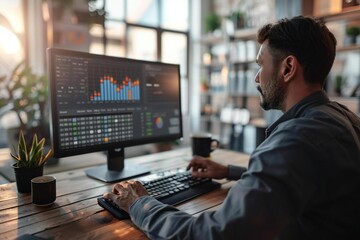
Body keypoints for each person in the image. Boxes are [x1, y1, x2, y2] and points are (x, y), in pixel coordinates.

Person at [103, 16, 360, 239]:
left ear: (288, 68)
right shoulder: (341, 117)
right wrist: (230, 171)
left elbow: (213, 235)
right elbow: (303, 178)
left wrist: (139, 204)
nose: (256, 77)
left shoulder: (296, 139)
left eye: (260, 64)